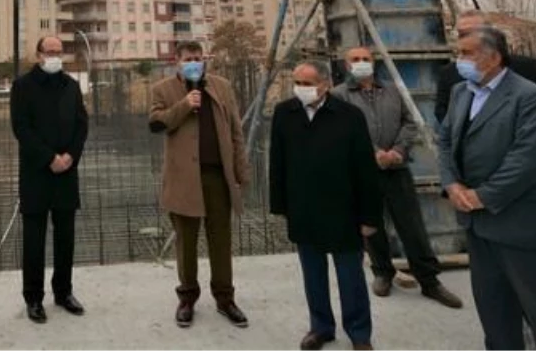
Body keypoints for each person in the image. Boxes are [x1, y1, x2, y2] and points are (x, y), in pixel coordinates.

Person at [438, 27, 536, 351]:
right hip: (478, 226)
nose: (459, 60)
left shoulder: (530, 97)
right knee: (494, 310)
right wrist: (452, 183)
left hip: (520, 223)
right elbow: (445, 140)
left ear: (494, 57)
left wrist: (481, 195)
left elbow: (527, 159)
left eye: (466, 53)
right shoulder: (462, 92)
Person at [331, 47, 463, 309]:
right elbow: (340, 130)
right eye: (355, 60)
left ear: (374, 62)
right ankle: (382, 272)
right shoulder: (339, 96)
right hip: (362, 172)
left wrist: (398, 151)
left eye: (366, 59)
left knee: (411, 224)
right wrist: (374, 154)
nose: (361, 63)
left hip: (397, 168)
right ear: (346, 65)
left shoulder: (392, 90)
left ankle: (428, 279)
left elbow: (409, 122)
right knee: (372, 224)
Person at [270, 61, 381, 351]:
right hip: (304, 209)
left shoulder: (349, 116)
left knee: (351, 278)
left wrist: (369, 216)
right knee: (313, 276)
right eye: (297, 82)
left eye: (307, 83)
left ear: (325, 84)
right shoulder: (285, 113)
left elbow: (365, 169)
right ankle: (321, 327)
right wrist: (281, 205)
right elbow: (277, 162)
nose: (301, 89)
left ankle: (359, 333)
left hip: (344, 210)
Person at [148, 41, 251, 329]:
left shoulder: (221, 87)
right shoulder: (163, 89)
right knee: (187, 241)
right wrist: (184, 104)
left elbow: (235, 131)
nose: (195, 62)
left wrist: (241, 172)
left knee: (220, 239)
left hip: (218, 176)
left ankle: (225, 297)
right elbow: (156, 123)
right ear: (177, 61)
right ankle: (187, 298)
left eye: (198, 58)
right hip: (183, 179)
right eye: (189, 59)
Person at [9, 35, 89, 323]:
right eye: (49, 51)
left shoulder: (71, 86)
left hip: (67, 173)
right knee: (34, 241)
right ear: (39, 54)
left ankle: (64, 291)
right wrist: (49, 158)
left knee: (66, 238)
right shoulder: (23, 86)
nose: (55, 56)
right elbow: (21, 128)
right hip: (36, 175)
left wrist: (70, 156)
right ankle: (33, 298)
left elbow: (82, 124)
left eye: (59, 51)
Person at [434, 10, 536, 123]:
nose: (465, 39)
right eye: (461, 34)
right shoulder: (450, 75)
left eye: (471, 33)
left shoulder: (526, 68)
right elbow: (443, 115)